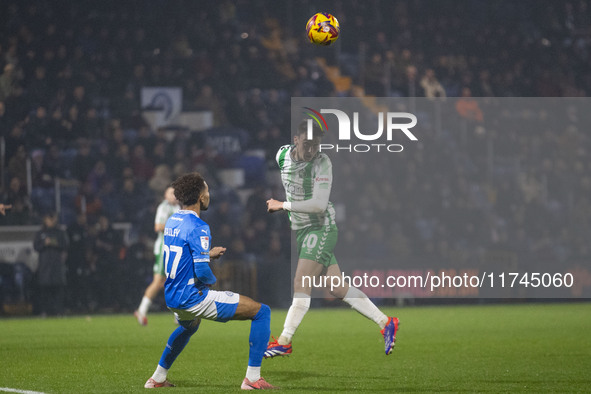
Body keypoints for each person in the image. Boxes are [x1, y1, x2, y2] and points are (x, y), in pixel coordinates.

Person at [264, 121, 399, 358]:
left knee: (300, 282)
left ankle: (285, 340)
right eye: (307, 143)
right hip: (303, 230)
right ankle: (386, 322)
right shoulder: (282, 155)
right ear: (295, 140)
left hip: (321, 227)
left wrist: (282, 205)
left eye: (316, 144)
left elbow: (317, 205)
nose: (311, 149)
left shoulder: (322, 163)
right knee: (337, 288)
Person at [144, 172, 277, 390]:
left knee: (189, 327)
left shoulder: (172, 220)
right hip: (192, 297)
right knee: (261, 312)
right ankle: (252, 379)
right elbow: (203, 272)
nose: (209, 195)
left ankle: (157, 378)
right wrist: (213, 282)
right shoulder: (199, 227)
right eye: (207, 191)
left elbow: (184, 254)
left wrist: (206, 254)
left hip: (172, 295)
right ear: (200, 197)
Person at [135, 186, 180, 325]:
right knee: (158, 281)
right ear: (165, 195)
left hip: (175, 248)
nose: (174, 195)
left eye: (175, 193)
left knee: (176, 279)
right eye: (171, 193)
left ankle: (178, 315)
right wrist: (175, 226)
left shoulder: (178, 207)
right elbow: (158, 226)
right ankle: (142, 310)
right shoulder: (164, 207)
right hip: (163, 247)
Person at [33, 212, 69, 316]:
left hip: (57, 265)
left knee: (58, 289)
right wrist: (44, 243)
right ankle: (45, 311)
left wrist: (54, 243)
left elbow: (65, 245)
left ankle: (58, 311)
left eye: (53, 218)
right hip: (45, 265)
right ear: (45, 219)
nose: (52, 220)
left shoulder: (60, 232)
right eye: (49, 218)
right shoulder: (40, 233)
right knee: (45, 290)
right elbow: (36, 247)